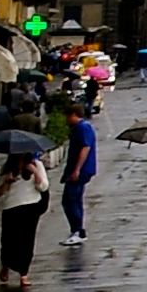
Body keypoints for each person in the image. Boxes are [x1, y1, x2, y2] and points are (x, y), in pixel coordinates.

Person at [0, 151, 48, 292]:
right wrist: (7, 182)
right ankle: (5, 266)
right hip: (11, 208)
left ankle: (24, 273)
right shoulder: (7, 168)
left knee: (26, 241)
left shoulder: (36, 165)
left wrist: (35, 173)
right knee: (8, 241)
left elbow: (44, 186)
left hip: (30, 206)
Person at [61, 106, 98, 247]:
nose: (66, 120)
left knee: (71, 200)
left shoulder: (83, 128)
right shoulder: (80, 128)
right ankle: (77, 230)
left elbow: (85, 147)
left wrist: (77, 169)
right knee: (73, 200)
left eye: (67, 116)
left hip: (80, 170)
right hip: (79, 169)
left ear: (74, 115)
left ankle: (77, 231)